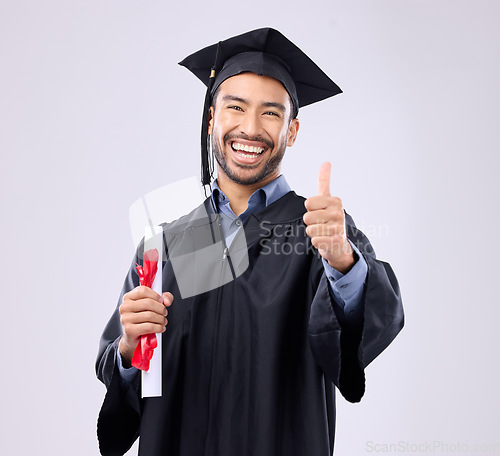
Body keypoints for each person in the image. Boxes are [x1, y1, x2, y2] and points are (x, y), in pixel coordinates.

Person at [96, 27, 404, 456]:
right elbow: (121, 373)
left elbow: (364, 333)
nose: (250, 128)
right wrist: (129, 348)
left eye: (271, 113)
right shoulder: (164, 245)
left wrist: (343, 263)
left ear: (292, 131)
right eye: (235, 108)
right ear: (211, 120)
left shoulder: (320, 230)